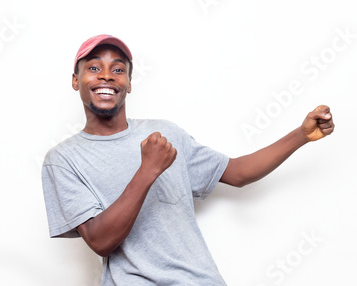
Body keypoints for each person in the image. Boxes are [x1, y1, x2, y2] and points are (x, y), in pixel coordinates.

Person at [41, 34, 335, 285]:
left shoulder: (164, 134)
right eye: (94, 67)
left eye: (118, 70)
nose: (106, 75)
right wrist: (148, 170)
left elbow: (237, 173)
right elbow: (100, 241)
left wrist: (302, 135)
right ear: (76, 80)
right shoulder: (63, 159)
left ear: (128, 83)